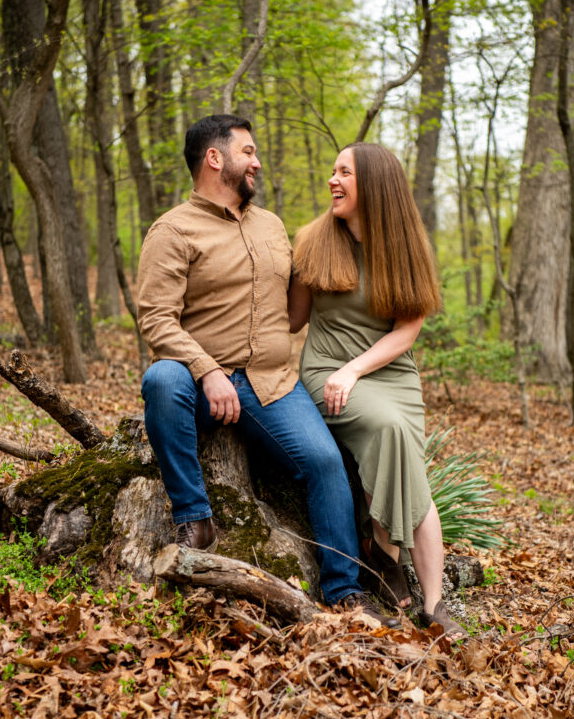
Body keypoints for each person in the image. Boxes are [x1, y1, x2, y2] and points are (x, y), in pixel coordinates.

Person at [137, 114, 400, 628]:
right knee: (160, 380)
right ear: (216, 158)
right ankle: (195, 520)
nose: (257, 161)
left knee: (325, 463)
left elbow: (305, 298)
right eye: (248, 152)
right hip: (197, 380)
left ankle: (344, 591)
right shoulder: (172, 230)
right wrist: (207, 370)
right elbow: (155, 317)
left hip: (273, 384)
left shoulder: (273, 226)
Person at [289, 142, 466, 641]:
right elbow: (292, 319)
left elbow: (406, 332)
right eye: (332, 169)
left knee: (410, 462)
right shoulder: (313, 240)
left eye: (344, 171)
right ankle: (384, 557)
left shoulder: (406, 246)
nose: (333, 180)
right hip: (326, 371)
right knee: (389, 431)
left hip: (391, 374)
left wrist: (356, 370)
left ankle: (433, 605)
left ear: (374, 184)